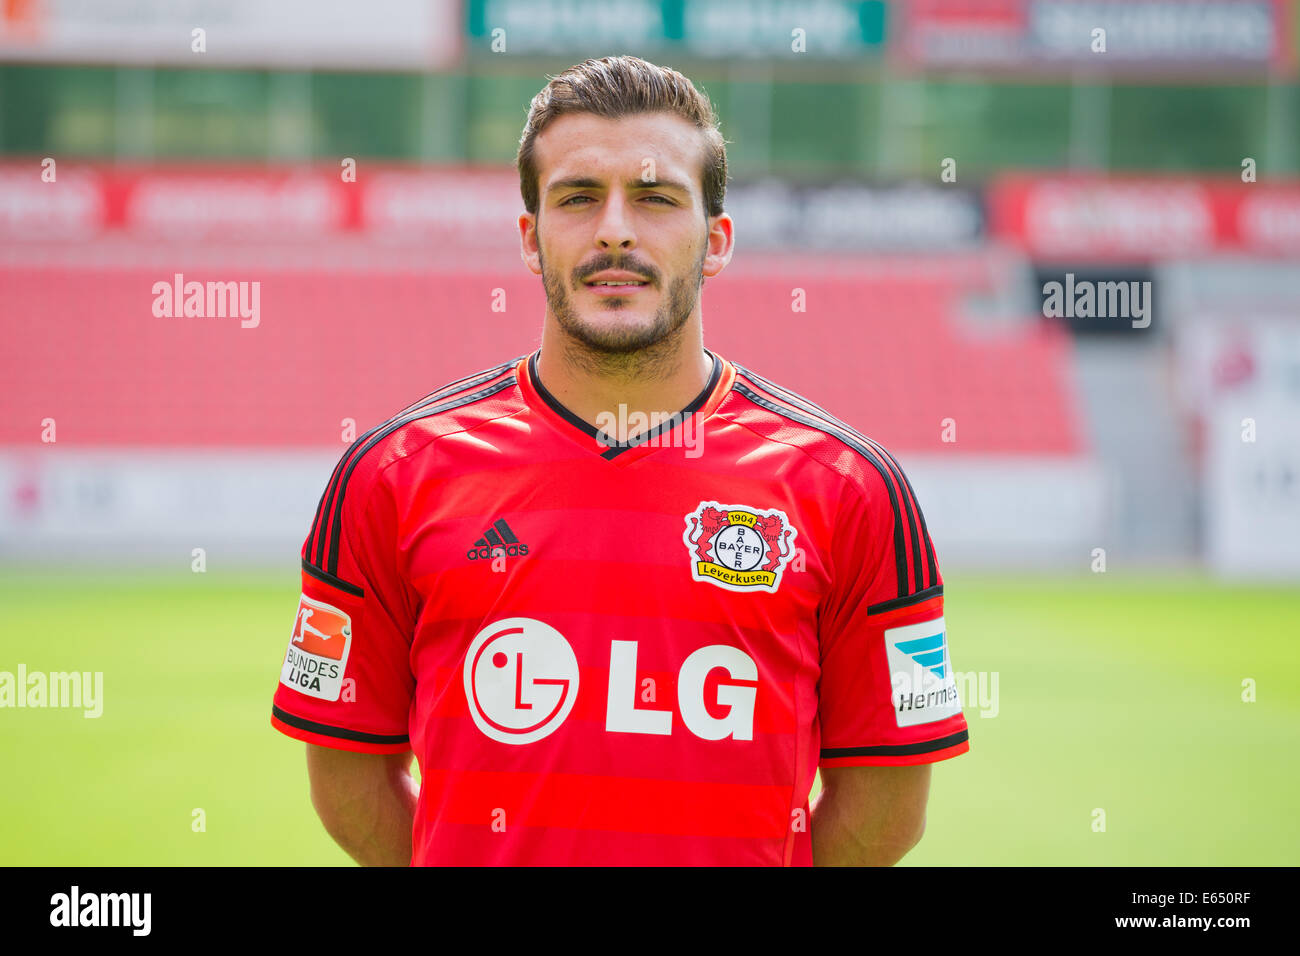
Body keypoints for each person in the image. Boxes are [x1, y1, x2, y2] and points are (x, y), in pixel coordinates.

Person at [271, 55, 969, 866]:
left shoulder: (850, 490)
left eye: (655, 198)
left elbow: (888, 809)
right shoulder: (391, 475)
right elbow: (347, 775)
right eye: (577, 198)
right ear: (532, 239)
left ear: (716, 242)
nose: (614, 228)